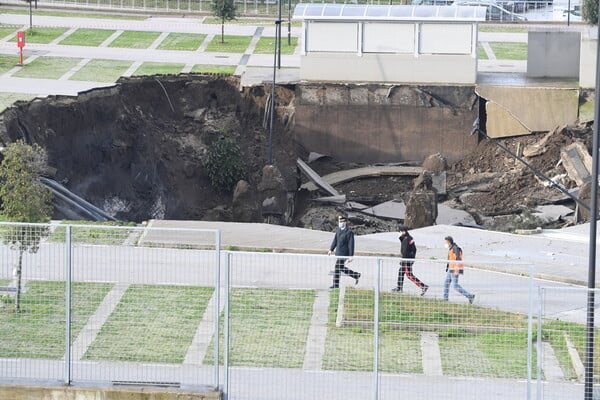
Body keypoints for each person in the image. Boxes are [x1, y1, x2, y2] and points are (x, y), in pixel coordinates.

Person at [392, 226, 428, 296]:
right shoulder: (408, 238)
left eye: (399, 232)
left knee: (409, 275)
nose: (399, 233)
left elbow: (405, 251)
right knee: (401, 272)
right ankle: (399, 287)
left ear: (403, 232)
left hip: (406, 260)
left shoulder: (406, 239)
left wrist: (404, 260)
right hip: (408, 259)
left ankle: (423, 286)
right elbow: (414, 249)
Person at [328, 215, 360, 289]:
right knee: (340, 268)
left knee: (337, 268)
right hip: (338, 252)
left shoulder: (349, 232)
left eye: (342, 221)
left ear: (345, 222)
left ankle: (335, 285)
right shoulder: (339, 230)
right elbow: (335, 240)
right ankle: (356, 275)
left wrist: (350, 256)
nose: (340, 223)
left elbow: (351, 245)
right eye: (340, 221)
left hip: (344, 254)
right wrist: (331, 249)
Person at [443, 236, 475, 304]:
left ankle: (470, 296)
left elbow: (459, 260)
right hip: (451, 268)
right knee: (446, 283)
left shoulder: (456, 249)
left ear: (449, 242)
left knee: (455, 286)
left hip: (455, 269)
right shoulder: (451, 248)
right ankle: (445, 299)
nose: (445, 244)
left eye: (445, 242)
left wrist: (456, 270)